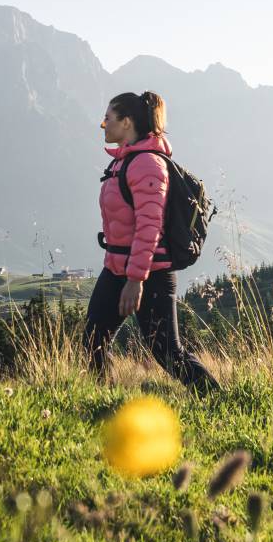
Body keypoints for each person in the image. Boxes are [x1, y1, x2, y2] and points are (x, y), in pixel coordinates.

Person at [88, 91, 217, 390]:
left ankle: (215, 398)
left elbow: (150, 227)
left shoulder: (146, 164)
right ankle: (104, 402)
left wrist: (136, 279)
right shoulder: (123, 162)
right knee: (93, 338)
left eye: (108, 118)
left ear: (127, 122)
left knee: (167, 352)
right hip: (116, 268)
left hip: (150, 274)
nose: (103, 124)